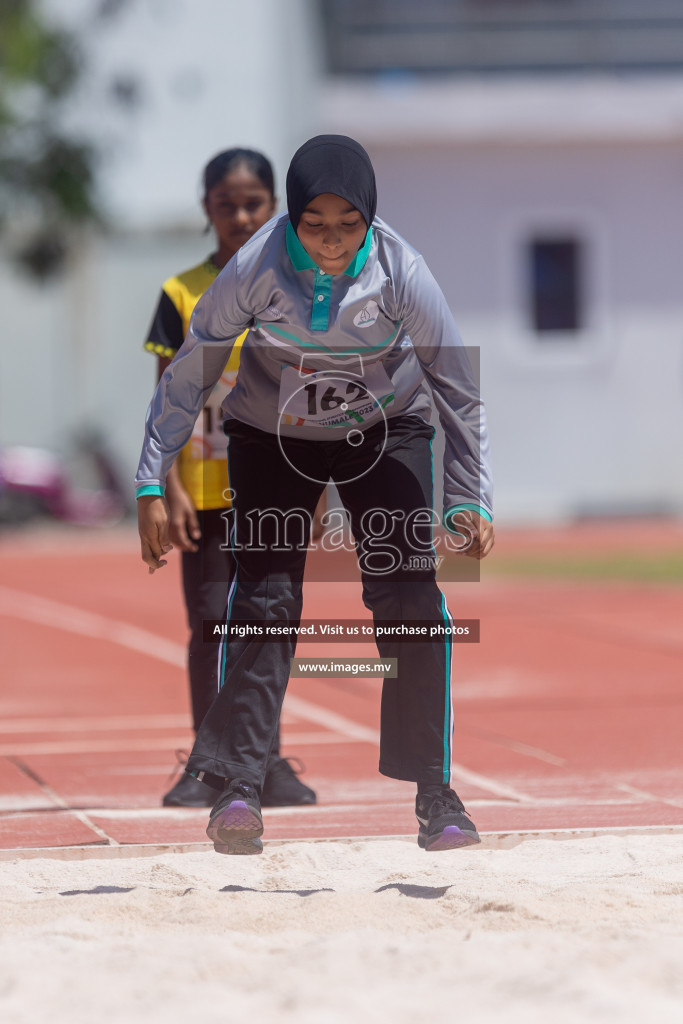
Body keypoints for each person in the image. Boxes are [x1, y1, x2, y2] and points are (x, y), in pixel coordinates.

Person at [136, 134, 494, 854]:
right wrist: (151, 478)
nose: (331, 242)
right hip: (272, 435)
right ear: (292, 217)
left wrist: (468, 496)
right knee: (264, 600)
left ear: (370, 219)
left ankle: (436, 793)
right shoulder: (255, 267)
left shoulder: (403, 272)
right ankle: (237, 788)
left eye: (348, 224)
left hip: (385, 428)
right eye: (314, 223)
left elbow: (456, 388)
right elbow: (190, 368)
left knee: (412, 599)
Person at [142, 147, 316, 808]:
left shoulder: (296, 291)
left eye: (253, 204)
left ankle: (264, 760)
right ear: (206, 209)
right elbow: (165, 399)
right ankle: (207, 763)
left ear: (274, 208)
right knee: (211, 621)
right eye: (226, 205)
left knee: (269, 623)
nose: (240, 216)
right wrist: (169, 486)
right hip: (207, 492)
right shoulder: (181, 294)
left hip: (276, 486)